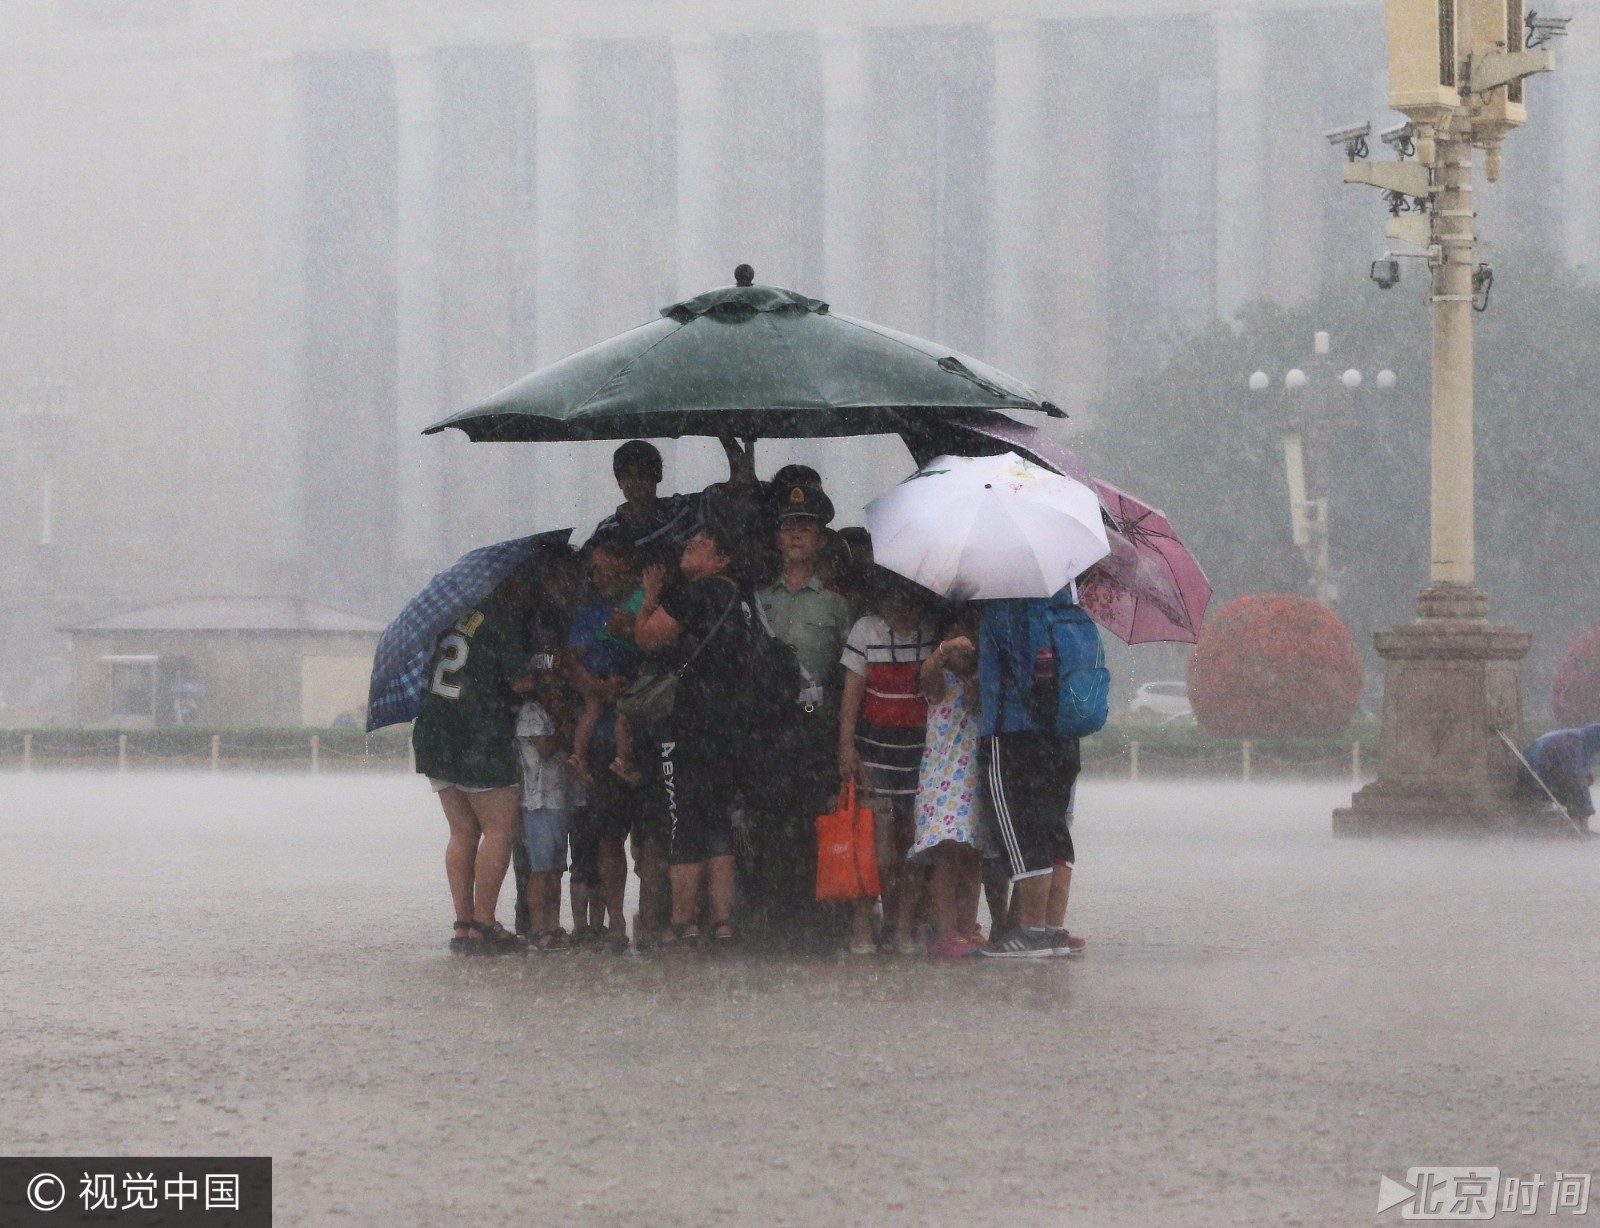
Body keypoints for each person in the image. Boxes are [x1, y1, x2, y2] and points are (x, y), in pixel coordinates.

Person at [633, 520, 757, 948]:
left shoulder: (696, 595)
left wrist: (649, 597)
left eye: (700, 544)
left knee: (682, 822)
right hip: (732, 727)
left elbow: (647, 638)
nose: (689, 547)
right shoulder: (743, 601)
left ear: (721, 559)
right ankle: (722, 920)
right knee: (720, 824)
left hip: (687, 726)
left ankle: (683, 920)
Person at [413, 563, 548, 955]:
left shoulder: (448, 617)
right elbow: (520, 680)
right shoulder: (499, 619)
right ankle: (486, 922)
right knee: (499, 829)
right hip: (479, 733)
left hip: (435, 730)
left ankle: (463, 924)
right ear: (511, 586)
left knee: (461, 831)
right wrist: (543, 677)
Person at [751, 483, 853, 947]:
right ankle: (775, 918)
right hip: (767, 728)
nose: (795, 535)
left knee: (816, 819)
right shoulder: (759, 600)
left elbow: (850, 670)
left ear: (821, 539)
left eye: (805, 527)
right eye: (788, 527)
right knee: (769, 821)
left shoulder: (836, 604)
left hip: (816, 726)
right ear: (776, 539)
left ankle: (815, 921)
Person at [975, 592, 1087, 958]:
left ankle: (1030, 932)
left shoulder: (1005, 606)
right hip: (1064, 735)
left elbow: (1018, 674)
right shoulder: (1067, 602)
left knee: (1021, 831)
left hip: (1013, 735)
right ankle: (1052, 929)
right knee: (1054, 831)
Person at [838, 571, 940, 955]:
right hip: (874, 754)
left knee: (912, 849)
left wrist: (939, 657)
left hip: (921, 756)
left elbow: (937, 693)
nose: (902, 608)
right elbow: (852, 696)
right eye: (895, 599)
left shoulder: (932, 633)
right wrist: (845, 748)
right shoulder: (866, 630)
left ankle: (902, 926)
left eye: (910, 600)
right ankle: (863, 925)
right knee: (874, 850)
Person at [562, 531, 645, 950]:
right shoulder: (588, 614)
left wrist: (626, 687)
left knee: (647, 839)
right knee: (606, 835)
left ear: (622, 562)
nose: (594, 574)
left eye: (600, 565)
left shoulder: (647, 608)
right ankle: (612, 920)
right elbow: (571, 662)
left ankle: (649, 916)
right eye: (591, 568)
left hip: (642, 731)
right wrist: (597, 688)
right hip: (597, 737)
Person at [913, 612, 995, 960]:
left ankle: (966, 926)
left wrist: (979, 679)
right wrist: (944, 650)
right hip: (944, 783)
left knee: (972, 857)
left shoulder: (979, 683)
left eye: (968, 644)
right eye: (954, 643)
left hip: (974, 781)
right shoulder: (940, 681)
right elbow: (926, 674)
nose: (962, 651)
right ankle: (943, 932)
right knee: (948, 854)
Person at [515, 695, 582, 951]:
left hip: (559, 800)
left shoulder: (557, 710)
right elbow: (544, 747)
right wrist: (564, 724)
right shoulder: (531, 710)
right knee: (540, 869)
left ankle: (553, 926)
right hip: (537, 801)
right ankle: (538, 928)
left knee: (556, 869)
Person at [592, 439, 701, 566]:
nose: (635, 483)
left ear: (658, 475)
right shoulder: (606, 532)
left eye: (642, 474)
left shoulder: (681, 510)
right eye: (627, 476)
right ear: (619, 482)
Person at [1519, 723, 1600, 825]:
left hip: (1547, 773)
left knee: (1579, 783)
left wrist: (1586, 775)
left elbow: (1577, 768)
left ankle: (1581, 823)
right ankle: (1578, 824)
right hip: (1535, 775)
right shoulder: (1575, 741)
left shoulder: (1585, 742)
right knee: (1577, 786)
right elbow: (1572, 772)